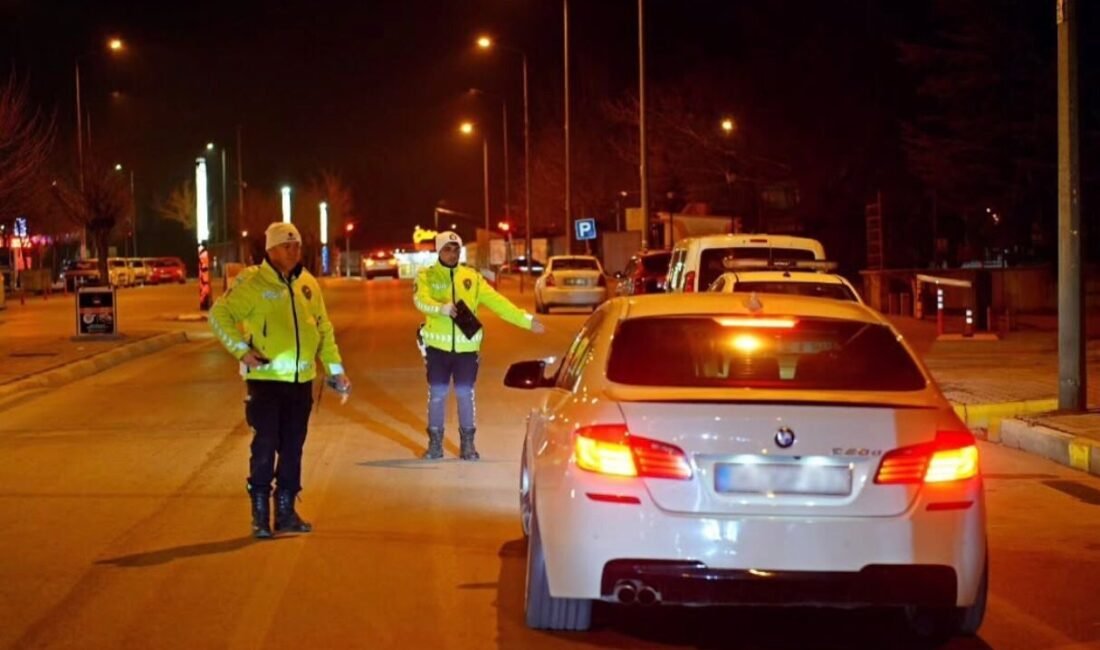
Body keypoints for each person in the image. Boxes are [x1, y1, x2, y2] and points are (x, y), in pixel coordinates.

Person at [210, 222, 351, 539]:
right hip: (267, 380)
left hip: (301, 381)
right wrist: (242, 351)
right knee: (265, 445)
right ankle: (260, 514)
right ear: (271, 250)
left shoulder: (308, 284)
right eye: (287, 245)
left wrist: (335, 369)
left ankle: (285, 511)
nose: (294, 250)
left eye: (297, 245)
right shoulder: (253, 282)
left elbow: (324, 329)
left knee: (293, 447)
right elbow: (219, 315)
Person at [414, 231, 545, 460]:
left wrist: (525, 321)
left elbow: (498, 303)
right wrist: (440, 308)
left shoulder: (472, 278)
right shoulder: (427, 276)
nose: (452, 254)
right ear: (438, 250)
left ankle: (468, 445)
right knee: (438, 393)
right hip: (437, 349)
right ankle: (435, 445)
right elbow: (420, 300)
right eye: (447, 249)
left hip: (466, 349)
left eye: (456, 249)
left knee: (465, 393)